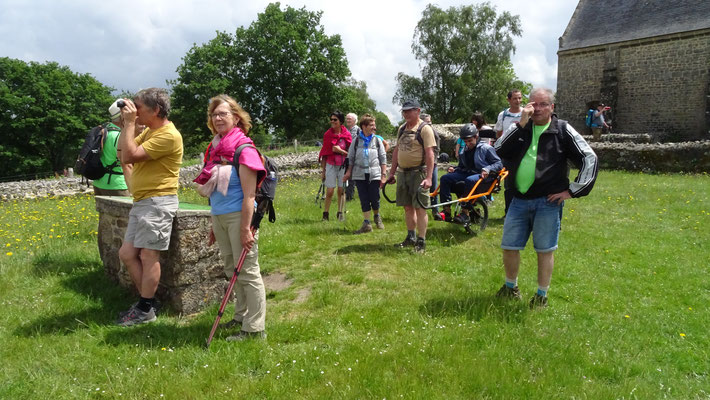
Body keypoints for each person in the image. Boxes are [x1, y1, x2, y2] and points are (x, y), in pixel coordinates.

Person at [494, 87, 598, 308]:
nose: (537, 108)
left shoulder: (562, 130)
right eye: (533, 104)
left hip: (547, 202)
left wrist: (572, 191)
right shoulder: (522, 127)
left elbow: (589, 158)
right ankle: (510, 288)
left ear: (552, 107)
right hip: (518, 199)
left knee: (544, 250)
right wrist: (520, 124)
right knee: (509, 247)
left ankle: (541, 296)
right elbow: (499, 148)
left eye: (543, 104)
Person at [194, 95, 267, 341]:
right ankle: (240, 315)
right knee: (230, 269)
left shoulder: (243, 149)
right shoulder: (214, 150)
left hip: (240, 216)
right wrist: (215, 222)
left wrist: (246, 229)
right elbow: (214, 190)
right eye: (214, 115)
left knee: (246, 271)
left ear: (236, 117)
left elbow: (249, 195)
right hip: (221, 216)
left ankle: (255, 329)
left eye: (223, 113)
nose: (217, 118)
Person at [116, 88, 183, 326]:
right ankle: (148, 302)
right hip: (143, 201)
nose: (134, 110)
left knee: (148, 254)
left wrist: (130, 122)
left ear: (155, 110)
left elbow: (129, 156)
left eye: (138, 106)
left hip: (157, 201)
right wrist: (128, 124)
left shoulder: (168, 135)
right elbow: (122, 152)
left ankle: (145, 309)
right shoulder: (152, 131)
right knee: (127, 254)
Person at [385, 100, 435, 253]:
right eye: (404, 111)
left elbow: (430, 154)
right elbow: (396, 152)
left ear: (418, 111)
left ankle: (421, 241)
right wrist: (392, 173)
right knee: (408, 208)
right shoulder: (401, 128)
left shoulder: (424, 129)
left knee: (420, 208)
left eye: (409, 111)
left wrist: (429, 177)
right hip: (403, 173)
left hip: (418, 173)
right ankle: (410, 237)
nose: (405, 114)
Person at [439, 123, 502, 224]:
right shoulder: (464, 150)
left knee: (470, 180)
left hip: (482, 176)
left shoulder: (486, 148)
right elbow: (461, 166)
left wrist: (487, 169)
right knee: (445, 178)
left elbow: (498, 163)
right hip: (467, 173)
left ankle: (465, 213)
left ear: (476, 137)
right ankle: (446, 211)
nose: (467, 144)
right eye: (465, 141)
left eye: (470, 141)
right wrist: (454, 169)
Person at [343, 114, 387, 234]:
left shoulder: (377, 140)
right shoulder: (356, 141)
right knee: (364, 198)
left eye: (374, 124)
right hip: (359, 174)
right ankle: (367, 223)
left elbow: (383, 159)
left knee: (375, 197)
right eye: (372, 125)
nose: (374, 127)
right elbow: (350, 158)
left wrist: (383, 175)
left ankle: (377, 217)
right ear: (364, 126)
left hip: (374, 174)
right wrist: (348, 173)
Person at [92, 100, 132, 196]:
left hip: (99, 182)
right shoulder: (119, 136)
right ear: (123, 116)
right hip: (117, 184)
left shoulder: (104, 131)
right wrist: (133, 189)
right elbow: (126, 164)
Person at [318, 111, 352, 221]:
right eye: (331, 119)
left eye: (335, 119)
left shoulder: (347, 135)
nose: (332, 121)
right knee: (330, 191)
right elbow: (324, 153)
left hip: (343, 165)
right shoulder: (327, 135)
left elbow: (351, 153)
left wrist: (340, 151)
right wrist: (323, 171)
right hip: (331, 165)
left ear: (340, 121)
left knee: (341, 190)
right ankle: (325, 214)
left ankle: (340, 213)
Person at [495, 89, 523, 215]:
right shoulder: (503, 115)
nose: (518, 101)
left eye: (520, 98)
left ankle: (522, 211)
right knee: (509, 183)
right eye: (515, 98)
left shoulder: (525, 113)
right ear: (509, 100)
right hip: (508, 153)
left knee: (522, 181)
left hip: (523, 152)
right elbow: (499, 134)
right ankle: (509, 212)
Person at [419, 113, 443, 221]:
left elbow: (436, 149)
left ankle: (435, 211)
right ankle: (419, 210)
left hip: (433, 164)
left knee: (434, 188)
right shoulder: (419, 132)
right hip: (420, 165)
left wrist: (431, 162)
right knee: (419, 188)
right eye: (427, 122)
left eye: (430, 122)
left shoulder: (434, 133)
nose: (429, 124)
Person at [344, 112, 359, 201]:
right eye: (347, 118)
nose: (347, 120)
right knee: (347, 176)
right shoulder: (346, 130)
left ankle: (349, 196)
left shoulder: (357, 130)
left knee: (351, 177)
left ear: (354, 120)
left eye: (349, 119)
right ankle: (347, 194)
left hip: (354, 157)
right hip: (345, 156)